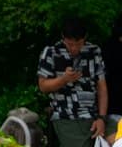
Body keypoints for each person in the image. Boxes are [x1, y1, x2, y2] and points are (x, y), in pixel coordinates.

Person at [38, 16, 108, 144]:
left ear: (85, 37)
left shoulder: (94, 51)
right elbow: (43, 86)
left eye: (79, 43)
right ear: (63, 37)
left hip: (93, 115)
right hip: (66, 116)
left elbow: (101, 87)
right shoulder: (51, 52)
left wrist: (102, 118)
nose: (74, 48)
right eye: (70, 44)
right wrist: (64, 80)